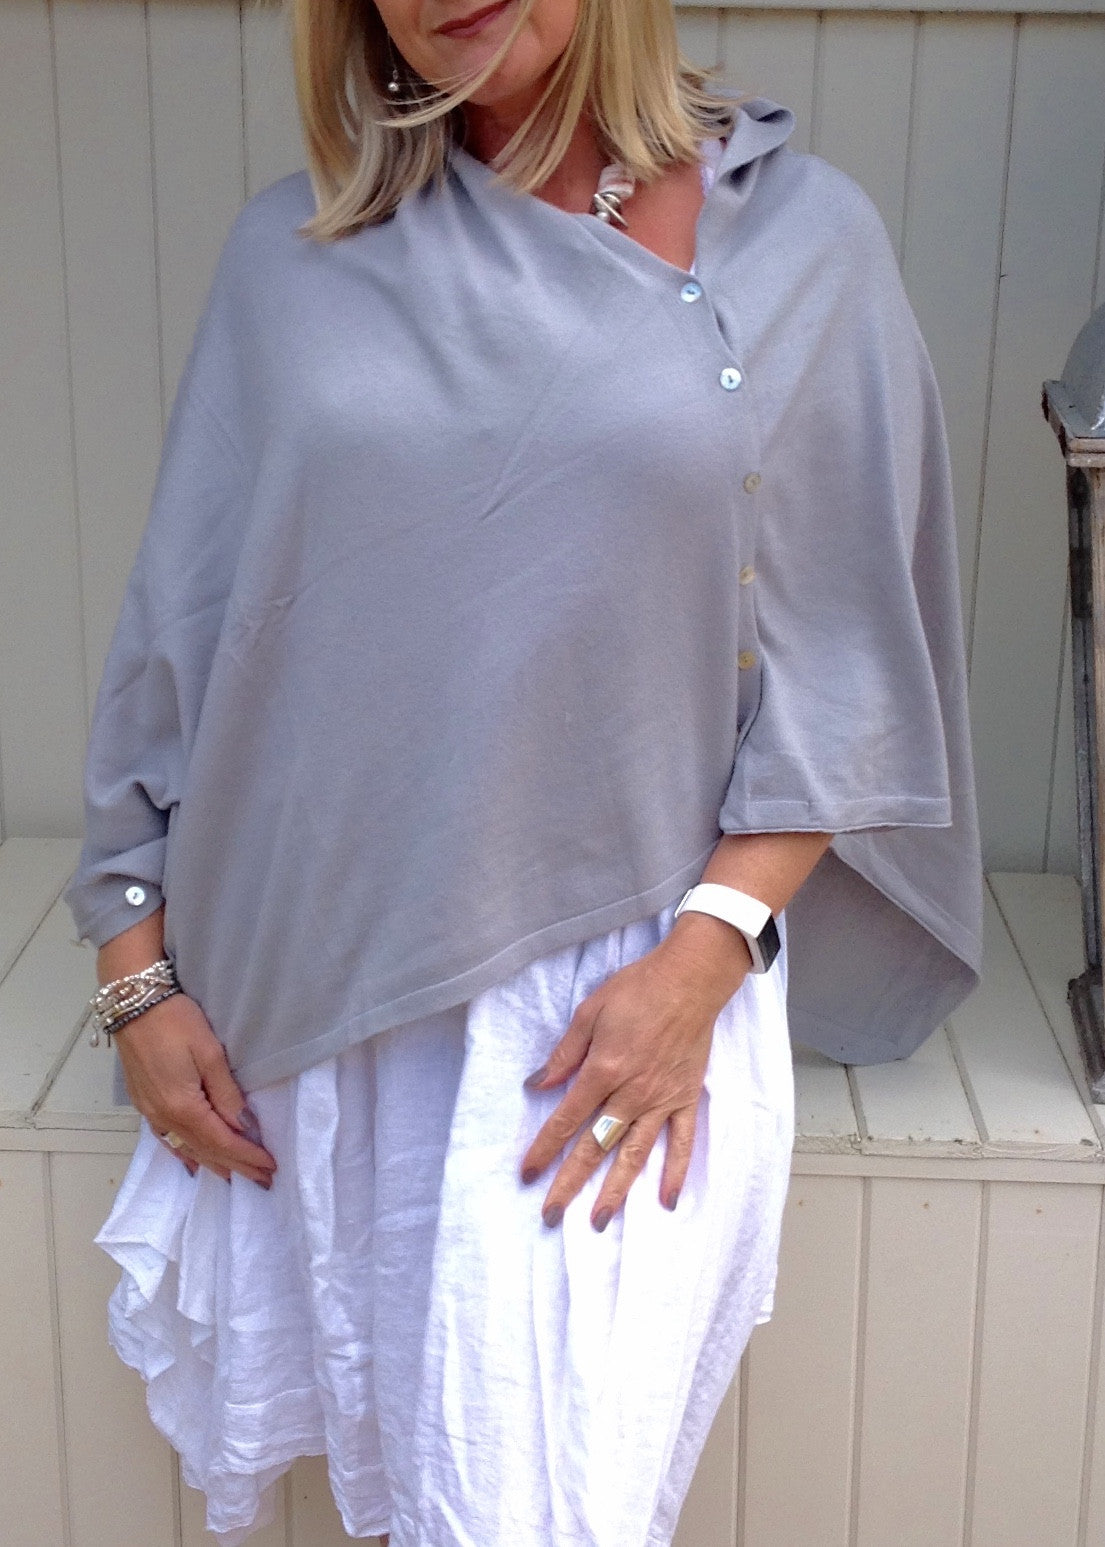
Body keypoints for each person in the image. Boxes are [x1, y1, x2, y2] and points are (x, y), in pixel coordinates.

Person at [64, 0, 983, 1541]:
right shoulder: (294, 251)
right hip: (310, 978)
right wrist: (133, 972)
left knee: (537, 1499)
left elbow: (840, 654)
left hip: (614, 991)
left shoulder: (794, 240)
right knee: (400, 1482)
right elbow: (188, 614)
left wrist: (701, 963)